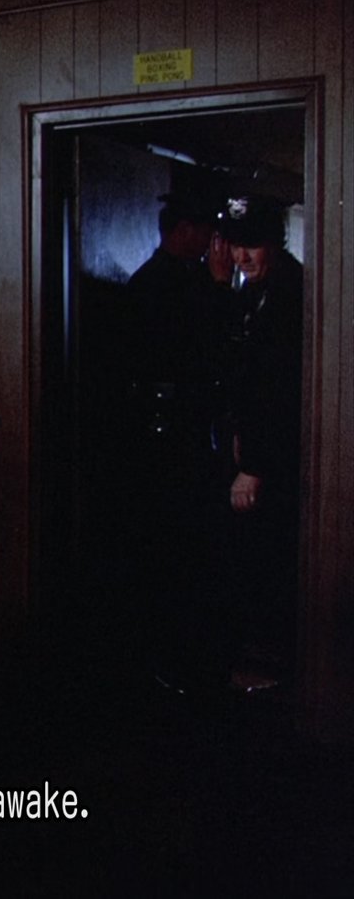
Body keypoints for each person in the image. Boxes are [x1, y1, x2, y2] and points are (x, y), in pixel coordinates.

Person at [123, 188, 233, 692]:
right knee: (178, 553)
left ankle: (178, 657)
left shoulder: (162, 280)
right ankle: (174, 662)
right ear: (185, 231)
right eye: (206, 230)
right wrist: (218, 288)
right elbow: (209, 351)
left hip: (172, 439)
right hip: (171, 442)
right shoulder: (168, 285)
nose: (213, 240)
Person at [217, 194, 303, 690]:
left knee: (269, 559)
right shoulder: (252, 292)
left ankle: (270, 670)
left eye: (252, 245)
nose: (242, 256)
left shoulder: (290, 292)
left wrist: (253, 466)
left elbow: (277, 390)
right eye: (235, 245)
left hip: (276, 460)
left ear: (275, 243)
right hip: (251, 449)